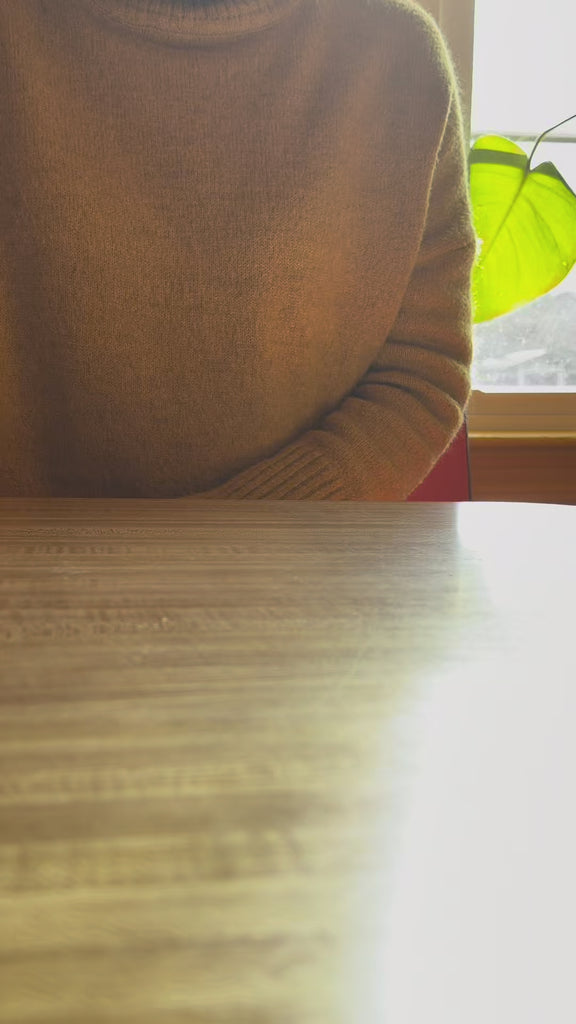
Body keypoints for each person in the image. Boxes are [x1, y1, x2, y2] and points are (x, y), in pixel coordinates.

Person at [0, 0, 476, 499]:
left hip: (291, 564)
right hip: (18, 559)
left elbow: (422, 370)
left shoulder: (396, 55)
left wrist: (231, 542)